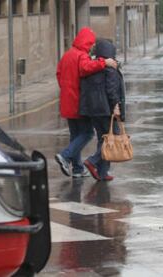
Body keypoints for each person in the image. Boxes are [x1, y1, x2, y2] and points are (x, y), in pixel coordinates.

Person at [56, 27, 117, 178]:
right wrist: (104, 62)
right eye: (90, 44)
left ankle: (77, 169)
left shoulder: (67, 55)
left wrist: (65, 88)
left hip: (66, 100)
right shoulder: (81, 55)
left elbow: (58, 73)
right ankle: (65, 155)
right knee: (88, 133)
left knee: (75, 134)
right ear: (86, 42)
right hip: (78, 101)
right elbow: (86, 68)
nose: (91, 48)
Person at [79, 39, 126, 181]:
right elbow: (112, 90)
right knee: (113, 138)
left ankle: (102, 172)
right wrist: (116, 106)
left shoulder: (94, 66)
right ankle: (92, 161)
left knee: (103, 139)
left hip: (94, 110)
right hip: (106, 110)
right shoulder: (110, 68)